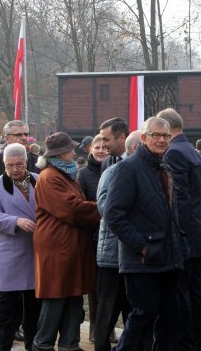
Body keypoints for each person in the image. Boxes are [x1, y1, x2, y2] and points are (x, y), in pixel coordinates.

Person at [106, 117, 186, 351]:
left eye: (165, 136)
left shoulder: (164, 166)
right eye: (156, 135)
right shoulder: (128, 167)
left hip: (168, 257)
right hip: (141, 259)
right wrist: (142, 246)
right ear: (143, 138)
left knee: (172, 315)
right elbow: (113, 214)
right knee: (145, 313)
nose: (161, 140)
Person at [32, 132, 101, 351]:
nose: (74, 150)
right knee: (56, 295)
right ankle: (43, 344)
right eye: (71, 148)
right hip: (58, 245)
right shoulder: (50, 177)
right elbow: (71, 209)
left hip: (68, 244)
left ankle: (69, 344)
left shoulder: (63, 175)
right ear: (62, 153)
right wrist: (103, 207)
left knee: (73, 293)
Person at [157, 108, 201, 351]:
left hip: (186, 235)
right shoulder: (189, 150)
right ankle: (199, 342)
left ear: (167, 129)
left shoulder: (174, 153)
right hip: (198, 234)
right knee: (195, 292)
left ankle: (188, 344)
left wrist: (177, 234)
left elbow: (179, 198)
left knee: (183, 294)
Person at [0, 120, 39, 326]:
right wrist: (15, 221)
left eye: (19, 165)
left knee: (32, 307)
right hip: (9, 249)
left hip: (34, 249)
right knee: (6, 306)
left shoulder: (38, 179)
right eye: (10, 166)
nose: (15, 169)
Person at [95, 130, 143, 351]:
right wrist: (134, 226)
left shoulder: (149, 171)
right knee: (108, 309)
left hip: (136, 254)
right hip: (113, 253)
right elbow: (106, 207)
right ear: (135, 147)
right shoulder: (113, 171)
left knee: (135, 307)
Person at [76, 134, 109, 343]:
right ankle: (96, 326)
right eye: (97, 147)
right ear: (90, 149)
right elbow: (80, 204)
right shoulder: (83, 174)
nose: (100, 150)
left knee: (110, 286)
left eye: (104, 147)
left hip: (111, 234)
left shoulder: (115, 169)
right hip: (93, 234)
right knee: (95, 286)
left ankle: (109, 326)